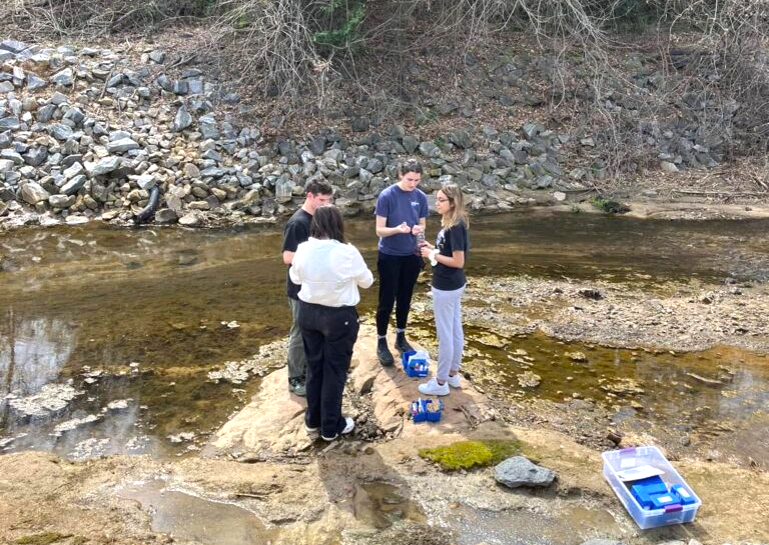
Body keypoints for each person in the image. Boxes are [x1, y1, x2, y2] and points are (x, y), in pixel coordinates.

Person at [289, 206, 373, 441]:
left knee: (314, 367)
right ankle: (331, 426)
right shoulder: (346, 251)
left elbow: (295, 278)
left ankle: (312, 420)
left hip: (308, 314)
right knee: (334, 371)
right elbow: (367, 282)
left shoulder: (303, 248)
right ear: (338, 224)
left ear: (315, 224)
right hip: (338, 317)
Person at [281, 179, 334, 396]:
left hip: (316, 287)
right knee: (299, 331)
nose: (325, 205)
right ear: (310, 196)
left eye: (328, 200)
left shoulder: (320, 219)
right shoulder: (298, 223)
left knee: (315, 331)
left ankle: (309, 369)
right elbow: (287, 257)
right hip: (298, 288)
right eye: (322, 200)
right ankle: (294, 378)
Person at [374, 159, 429, 366]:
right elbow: (379, 230)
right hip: (389, 254)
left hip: (411, 254)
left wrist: (418, 231)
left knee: (405, 297)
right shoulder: (387, 196)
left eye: (416, 180)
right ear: (400, 175)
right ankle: (381, 340)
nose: (413, 184)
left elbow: (422, 223)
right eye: (409, 179)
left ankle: (400, 336)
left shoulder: (420, 197)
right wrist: (397, 229)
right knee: (387, 298)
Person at [418, 183, 469, 396]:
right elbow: (447, 252)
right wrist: (433, 249)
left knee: (445, 334)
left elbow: (458, 261)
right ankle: (452, 374)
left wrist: (431, 256)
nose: (436, 203)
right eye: (436, 199)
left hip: (447, 286)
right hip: (453, 284)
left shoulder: (455, 227)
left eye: (440, 200)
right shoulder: (453, 224)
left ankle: (440, 383)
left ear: (452, 203)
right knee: (455, 328)